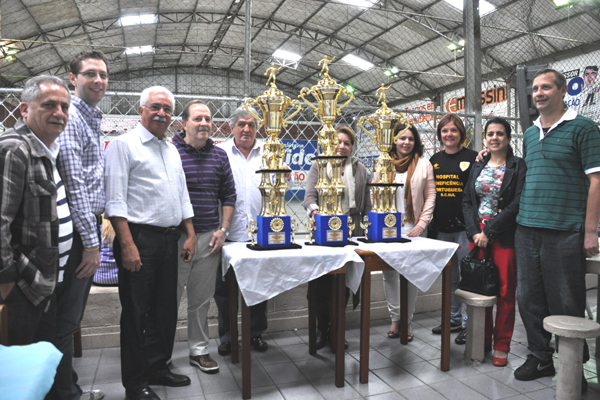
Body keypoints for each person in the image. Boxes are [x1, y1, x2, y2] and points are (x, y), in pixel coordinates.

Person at [104, 86, 196, 400]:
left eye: (168, 109)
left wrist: (191, 234)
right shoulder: (123, 146)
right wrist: (127, 245)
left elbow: (181, 195)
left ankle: (158, 367)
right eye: (156, 107)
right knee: (135, 313)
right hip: (138, 239)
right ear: (141, 109)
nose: (162, 114)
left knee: (164, 310)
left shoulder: (170, 148)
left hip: (170, 239)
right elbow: (115, 201)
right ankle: (135, 383)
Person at [511, 68, 600, 390]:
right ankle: (540, 356)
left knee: (566, 299)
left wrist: (591, 232)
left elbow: (597, 180)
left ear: (563, 91)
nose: (539, 93)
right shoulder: (531, 133)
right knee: (529, 298)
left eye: (546, 87)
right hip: (527, 228)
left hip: (564, 230)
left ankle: (573, 362)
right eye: (535, 89)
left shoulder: (584, 128)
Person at [52, 50, 109, 400]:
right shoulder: (73, 118)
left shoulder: (91, 117)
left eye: (103, 74)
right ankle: (64, 394)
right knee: (66, 321)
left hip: (83, 230)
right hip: (77, 236)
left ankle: (65, 387)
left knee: (65, 320)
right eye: (90, 74)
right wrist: (91, 243)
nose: (98, 80)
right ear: (73, 79)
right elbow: (75, 184)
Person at [0, 76, 71, 347]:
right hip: (21, 287)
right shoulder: (13, 149)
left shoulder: (47, 150)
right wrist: (6, 280)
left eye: (64, 107)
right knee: (18, 373)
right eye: (49, 105)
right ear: (25, 109)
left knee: (37, 366)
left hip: (43, 283)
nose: (59, 113)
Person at [172, 100, 236, 372]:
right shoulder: (170, 151)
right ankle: (160, 354)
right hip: (175, 239)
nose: (204, 124)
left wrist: (223, 230)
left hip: (210, 238)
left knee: (201, 299)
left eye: (208, 119)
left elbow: (229, 195)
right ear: (183, 123)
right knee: (168, 299)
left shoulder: (220, 155)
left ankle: (199, 351)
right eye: (198, 119)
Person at [214, 107, 280, 356]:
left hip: (260, 235)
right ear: (231, 127)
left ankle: (255, 334)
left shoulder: (269, 152)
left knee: (259, 288)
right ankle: (228, 337)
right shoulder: (219, 152)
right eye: (241, 124)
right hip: (227, 234)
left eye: (251, 125)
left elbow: (285, 184)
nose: (246, 129)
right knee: (224, 292)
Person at [462, 117, 526, 367]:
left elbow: (517, 203)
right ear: (485, 138)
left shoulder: (518, 166)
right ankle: (482, 340)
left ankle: (502, 345)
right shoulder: (478, 165)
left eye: (500, 133)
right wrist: (474, 233)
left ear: (508, 138)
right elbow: (467, 201)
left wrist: (489, 231)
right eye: (490, 134)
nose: (495, 137)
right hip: (477, 238)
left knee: (505, 293)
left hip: (503, 236)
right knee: (480, 290)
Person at [303, 125, 371, 349]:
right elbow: (309, 197)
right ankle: (323, 329)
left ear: (352, 147)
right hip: (324, 232)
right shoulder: (318, 166)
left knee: (344, 284)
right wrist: (316, 213)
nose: (342, 146)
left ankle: (336, 331)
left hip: (352, 232)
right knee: (321, 283)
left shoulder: (360, 169)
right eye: (338, 142)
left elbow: (368, 204)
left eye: (347, 143)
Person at [380, 124, 435, 341]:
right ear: (394, 140)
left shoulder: (424, 164)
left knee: (410, 275)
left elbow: (430, 195)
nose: (406, 142)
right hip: (387, 227)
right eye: (402, 138)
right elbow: (376, 194)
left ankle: (408, 321)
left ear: (416, 142)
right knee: (390, 274)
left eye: (410, 139)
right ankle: (395, 318)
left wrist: (422, 223)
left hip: (413, 227)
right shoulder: (384, 163)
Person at [429, 113, 477, 345]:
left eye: (454, 130)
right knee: (450, 278)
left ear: (461, 134)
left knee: (468, 277)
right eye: (445, 131)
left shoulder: (474, 157)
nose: (449, 134)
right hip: (442, 229)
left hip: (465, 229)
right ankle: (453, 319)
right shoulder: (434, 160)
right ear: (440, 135)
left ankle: (469, 325)